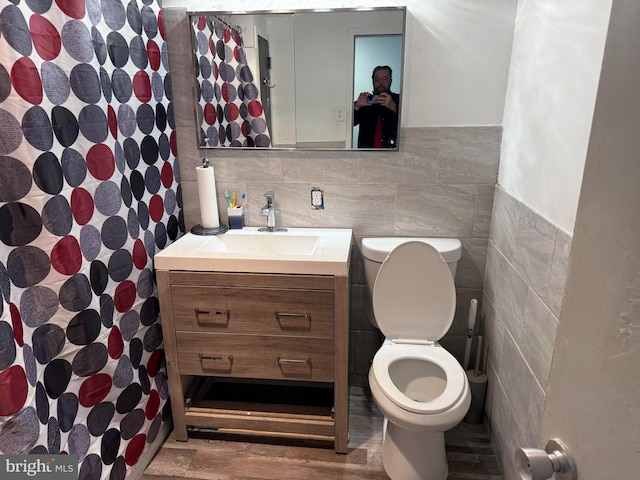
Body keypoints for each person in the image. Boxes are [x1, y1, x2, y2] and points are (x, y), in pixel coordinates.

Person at [353, 65, 399, 148]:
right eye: (377, 79)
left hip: (393, 155)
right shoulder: (364, 101)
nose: (380, 83)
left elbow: (411, 125)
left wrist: (395, 108)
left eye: (384, 79)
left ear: (390, 81)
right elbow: (346, 124)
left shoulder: (399, 100)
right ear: (373, 82)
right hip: (365, 156)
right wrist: (356, 106)